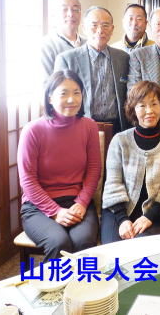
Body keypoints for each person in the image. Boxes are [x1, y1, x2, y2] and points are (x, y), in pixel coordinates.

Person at [17, 70, 101, 262]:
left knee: (83, 241)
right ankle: (53, 283)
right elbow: (27, 180)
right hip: (37, 207)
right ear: (50, 97)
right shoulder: (33, 130)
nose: (71, 99)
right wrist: (55, 212)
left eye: (77, 92)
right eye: (64, 93)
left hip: (77, 201)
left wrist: (81, 203)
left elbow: (94, 170)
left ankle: (83, 283)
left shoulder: (89, 126)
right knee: (58, 242)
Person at [100, 81, 160, 243]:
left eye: (154, 104)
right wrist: (123, 220)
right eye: (142, 105)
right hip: (117, 211)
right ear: (133, 109)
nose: (149, 111)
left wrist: (149, 216)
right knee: (111, 249)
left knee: (140, 249)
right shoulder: (119, 140)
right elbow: (113, 183)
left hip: (155, 214)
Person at [55, 6, 129, 133]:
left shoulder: (123, 57)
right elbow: (60, 98)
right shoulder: (66, 59)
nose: (100, 30)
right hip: (80, 125)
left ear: (112, 29)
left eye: (105, 25)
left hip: (117, 127)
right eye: (94, 25)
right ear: (84, 28)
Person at [40, 0, 85, 84]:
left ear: (80, 14)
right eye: (64, 9)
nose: (70, 14)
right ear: (54, 14)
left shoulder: (88, 43)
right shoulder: (47, 45)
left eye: (75, 10)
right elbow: (46, 85)